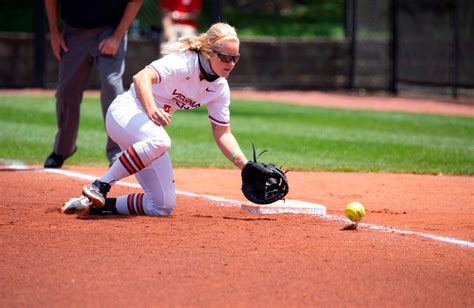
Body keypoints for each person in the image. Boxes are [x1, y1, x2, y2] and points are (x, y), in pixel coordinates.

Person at [62, 22, 248, 217]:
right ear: (210, 52)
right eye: (225, 57)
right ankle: (99, 186)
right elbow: (141, 77)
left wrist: (245, 165)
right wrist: (151, 109)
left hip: (146, 131)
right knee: (161, 141)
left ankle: (94, 205)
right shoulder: (184, 62)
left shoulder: (219, 88)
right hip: (126, 113)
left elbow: (222, 133)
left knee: (161, 206)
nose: (231, 63)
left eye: (235, 58)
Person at [43, 0, 143, 168]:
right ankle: (62, 149)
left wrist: (117, 37)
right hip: (74, 33)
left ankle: (117, 153)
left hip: (110, 30)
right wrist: (54, 33)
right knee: (66, 91)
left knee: (112, 86)